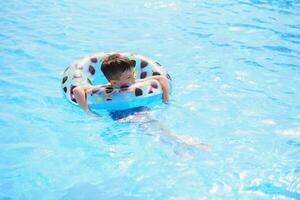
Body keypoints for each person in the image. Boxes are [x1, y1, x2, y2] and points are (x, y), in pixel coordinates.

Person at [73, 53, 170, 112]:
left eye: (133, 73)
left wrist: (166, 99)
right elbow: (77, 90)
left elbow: (162, 78)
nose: (133, 78)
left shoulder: (137, 83)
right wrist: (87, 110)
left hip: (139, 109)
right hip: (117, 115)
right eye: (128, 77)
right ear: (114, 83)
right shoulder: (106, 88)